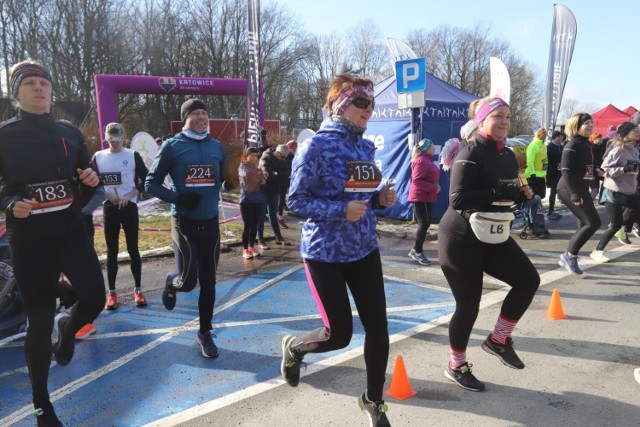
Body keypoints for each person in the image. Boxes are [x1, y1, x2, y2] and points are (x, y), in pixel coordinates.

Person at [282, 73, 397, 427]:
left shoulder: (365, 146)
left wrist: (379, 200)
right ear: (340, 105)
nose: (369, 109)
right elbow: (295, 201)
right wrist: (339, 211)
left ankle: (373, 401)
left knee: (379, 328)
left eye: (371, 103)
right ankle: (295, 348)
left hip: (363, 248)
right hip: (324, 254)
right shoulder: (315, 145)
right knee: (339, 335)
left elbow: (363, 199)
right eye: (361, 103)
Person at [0, 60, 105, 426]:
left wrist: (91, 178)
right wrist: (11, 203)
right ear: (17, 93)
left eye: (44, 83)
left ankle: (69, 331)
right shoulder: (4, 135)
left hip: (70, 232)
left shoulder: (69, 132)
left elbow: (87, 178)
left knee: (94, 298)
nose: (39, 89)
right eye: (30, 84)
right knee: (39, 321)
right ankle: (42, 404)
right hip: (30, 240)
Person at [438, 96, 540, 392]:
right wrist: (497, 189)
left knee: (528, 280)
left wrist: (522, 193)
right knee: (469, 305)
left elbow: (505, 196)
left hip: (493, 234)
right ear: (482, 121)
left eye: (507, 116)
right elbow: (457, 199)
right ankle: (456, 365)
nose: (504, 121)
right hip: (460, 239)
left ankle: (498, 339)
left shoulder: (507, 155)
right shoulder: (469, 152)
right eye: (497, 116)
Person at [145, 98, 229, 358]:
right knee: (188, 282)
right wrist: (178, 197)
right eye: (196, 114)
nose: (202, 117)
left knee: (209, 283)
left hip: (211, 222)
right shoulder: (172, 146)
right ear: (185, 119)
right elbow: (151, 183)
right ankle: (172, 283)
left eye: (205, 113)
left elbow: (226, 178)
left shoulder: (217, 146)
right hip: (184, 222)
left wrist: (240, 177)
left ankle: (205, 332)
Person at [93, 122, 148, 310]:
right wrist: (106, 194)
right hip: (109, 208)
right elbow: (93, 182)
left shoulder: (132, 155)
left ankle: (138, 290)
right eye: (110, 140)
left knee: (133, 248)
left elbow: (147, 179)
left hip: (129, 206)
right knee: (112, 250)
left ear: (124, 138)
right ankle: (112, 293)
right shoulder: (99, 156)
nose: (114, 144)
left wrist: (130, 195)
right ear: (106, 138)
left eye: (117, 140)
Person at [556, 113, 602, 275]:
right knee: (593, 222)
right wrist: (574, 193)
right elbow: (566, 171)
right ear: (576, 125)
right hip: (569, 188)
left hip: (581, 188)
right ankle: (570, 255)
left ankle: (569, 255)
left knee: (583, 224)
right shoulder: (573, 144)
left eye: (591, 122)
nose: (590, 125)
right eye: (586, 123)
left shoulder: (587, 144)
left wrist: (596, 171)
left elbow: (585, 169)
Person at [590, 122, 640, 262]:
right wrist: (623, 170)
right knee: (614, 225)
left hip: (629, 190)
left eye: (638, 129)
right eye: (634, 130)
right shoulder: (618, 149)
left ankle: (624, 228)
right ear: (626, 133)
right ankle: (597, 251)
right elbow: (604, 170)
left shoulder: (634, 149)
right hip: (614, 192)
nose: (638, 131)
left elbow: (634, 169)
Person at [74, 182, 106, 339]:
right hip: (53, 231)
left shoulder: (80, 161)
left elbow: (101, 192)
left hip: (82, 230)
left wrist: (84, 212)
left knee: (84, 274)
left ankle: (87, 322)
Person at [408, 138, 440, 266]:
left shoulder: (426, 160)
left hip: (425, 196)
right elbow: (417, 181)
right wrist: (434, 188)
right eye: (432, 146)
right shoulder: (421, 161)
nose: (434, 148)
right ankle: (417, 251)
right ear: (427, 148)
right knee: (424, 223)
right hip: (420, 197)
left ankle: (416, 250)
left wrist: (435, 186)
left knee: (425, 223)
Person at [257, 143, 290, 246]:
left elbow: (286, 174)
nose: (284, 159)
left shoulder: (282, 160)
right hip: (263, 190)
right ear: (278, 153)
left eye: (286, 157)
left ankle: (278, 237)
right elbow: (268, 175)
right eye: (283, 157)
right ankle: (260, 240)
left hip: (275, 191)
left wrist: (277, 174)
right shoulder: (265, 157)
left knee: (273, 214)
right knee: (261, 216)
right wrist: (278, 175)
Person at [238, 146, 266, 259]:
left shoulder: (256, 167)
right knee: (247, 225)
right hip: (246, 200)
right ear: (247, 156)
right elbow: (249, 180)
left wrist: (261, 177)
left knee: (255, 224)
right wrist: (260, 178)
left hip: (257, 200)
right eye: (252, 155)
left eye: (256, 155)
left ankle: (251, 247)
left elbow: (262, 180)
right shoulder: (243, 166)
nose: (255, 157)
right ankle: (245, 249)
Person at [277, 139, 297, 230]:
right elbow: (281, 169)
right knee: (280, 199)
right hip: (281, 181)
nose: (295, 150)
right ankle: (279, 218)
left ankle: (281, 214)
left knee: (286, 197)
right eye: (294, 148)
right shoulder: (284, 157)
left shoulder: (293, 157)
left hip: (287, 181)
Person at [546, 131, 565, 220]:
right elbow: (548, 161)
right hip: (552, 173)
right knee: (553, 192)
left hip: (560, 173)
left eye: (561, 136)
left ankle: (552, 210)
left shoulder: (561, 147)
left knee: (558, 190)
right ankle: (550, 211)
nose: (561, 138)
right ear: (554, 137)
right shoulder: (549, 147)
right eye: (559, 136)